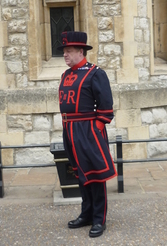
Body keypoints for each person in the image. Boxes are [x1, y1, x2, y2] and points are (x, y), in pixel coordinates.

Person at [57, 31, 117, 238]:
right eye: (64, 51)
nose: (65, 54)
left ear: (80, 51)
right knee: (81, 173)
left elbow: (105, 106)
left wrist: (96, 129)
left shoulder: (95, 73)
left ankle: (99, 219)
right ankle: (87, 213)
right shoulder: (66, 75)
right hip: (70, 130)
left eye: (69, 51)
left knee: (95, 174)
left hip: (88, 130)